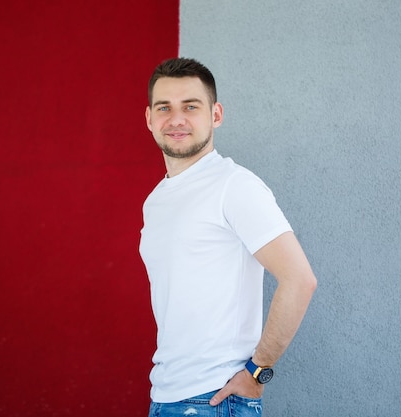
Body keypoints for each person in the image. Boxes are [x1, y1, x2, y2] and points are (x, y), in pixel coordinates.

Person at [139, 57, 317, 417]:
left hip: (214, 400)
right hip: (165, 395)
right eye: (164, 108)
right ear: (149, 119)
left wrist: (258, 370)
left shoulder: (234, 186)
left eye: (191, 106)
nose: (176, 119)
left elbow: (300, 279)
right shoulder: (156, 199)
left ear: (215, 115)